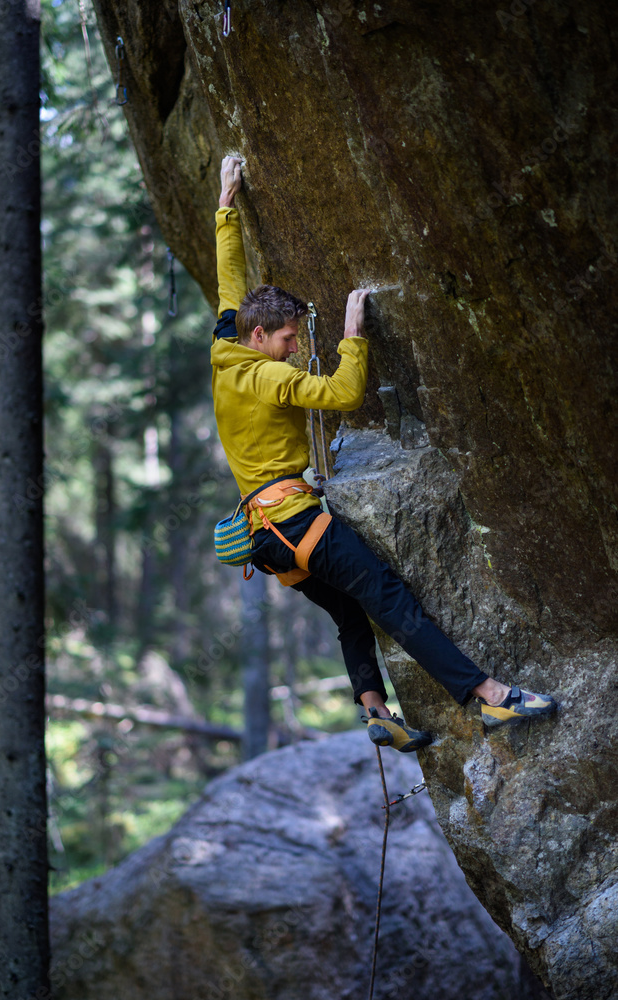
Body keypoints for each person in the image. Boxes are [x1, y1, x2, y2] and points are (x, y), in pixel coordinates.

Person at [211, 155, 556, 750]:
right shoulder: (271, 379)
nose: (295, 349)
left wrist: (227, 206)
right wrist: (352, 332)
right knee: (388, 597)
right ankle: (491, 696)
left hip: (264, 537)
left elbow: (228, 282)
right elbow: (343, 393)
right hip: (294, 520)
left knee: (350, 614)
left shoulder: (224, 350)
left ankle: (376, 711)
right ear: (260, 336)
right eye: (289, 339)